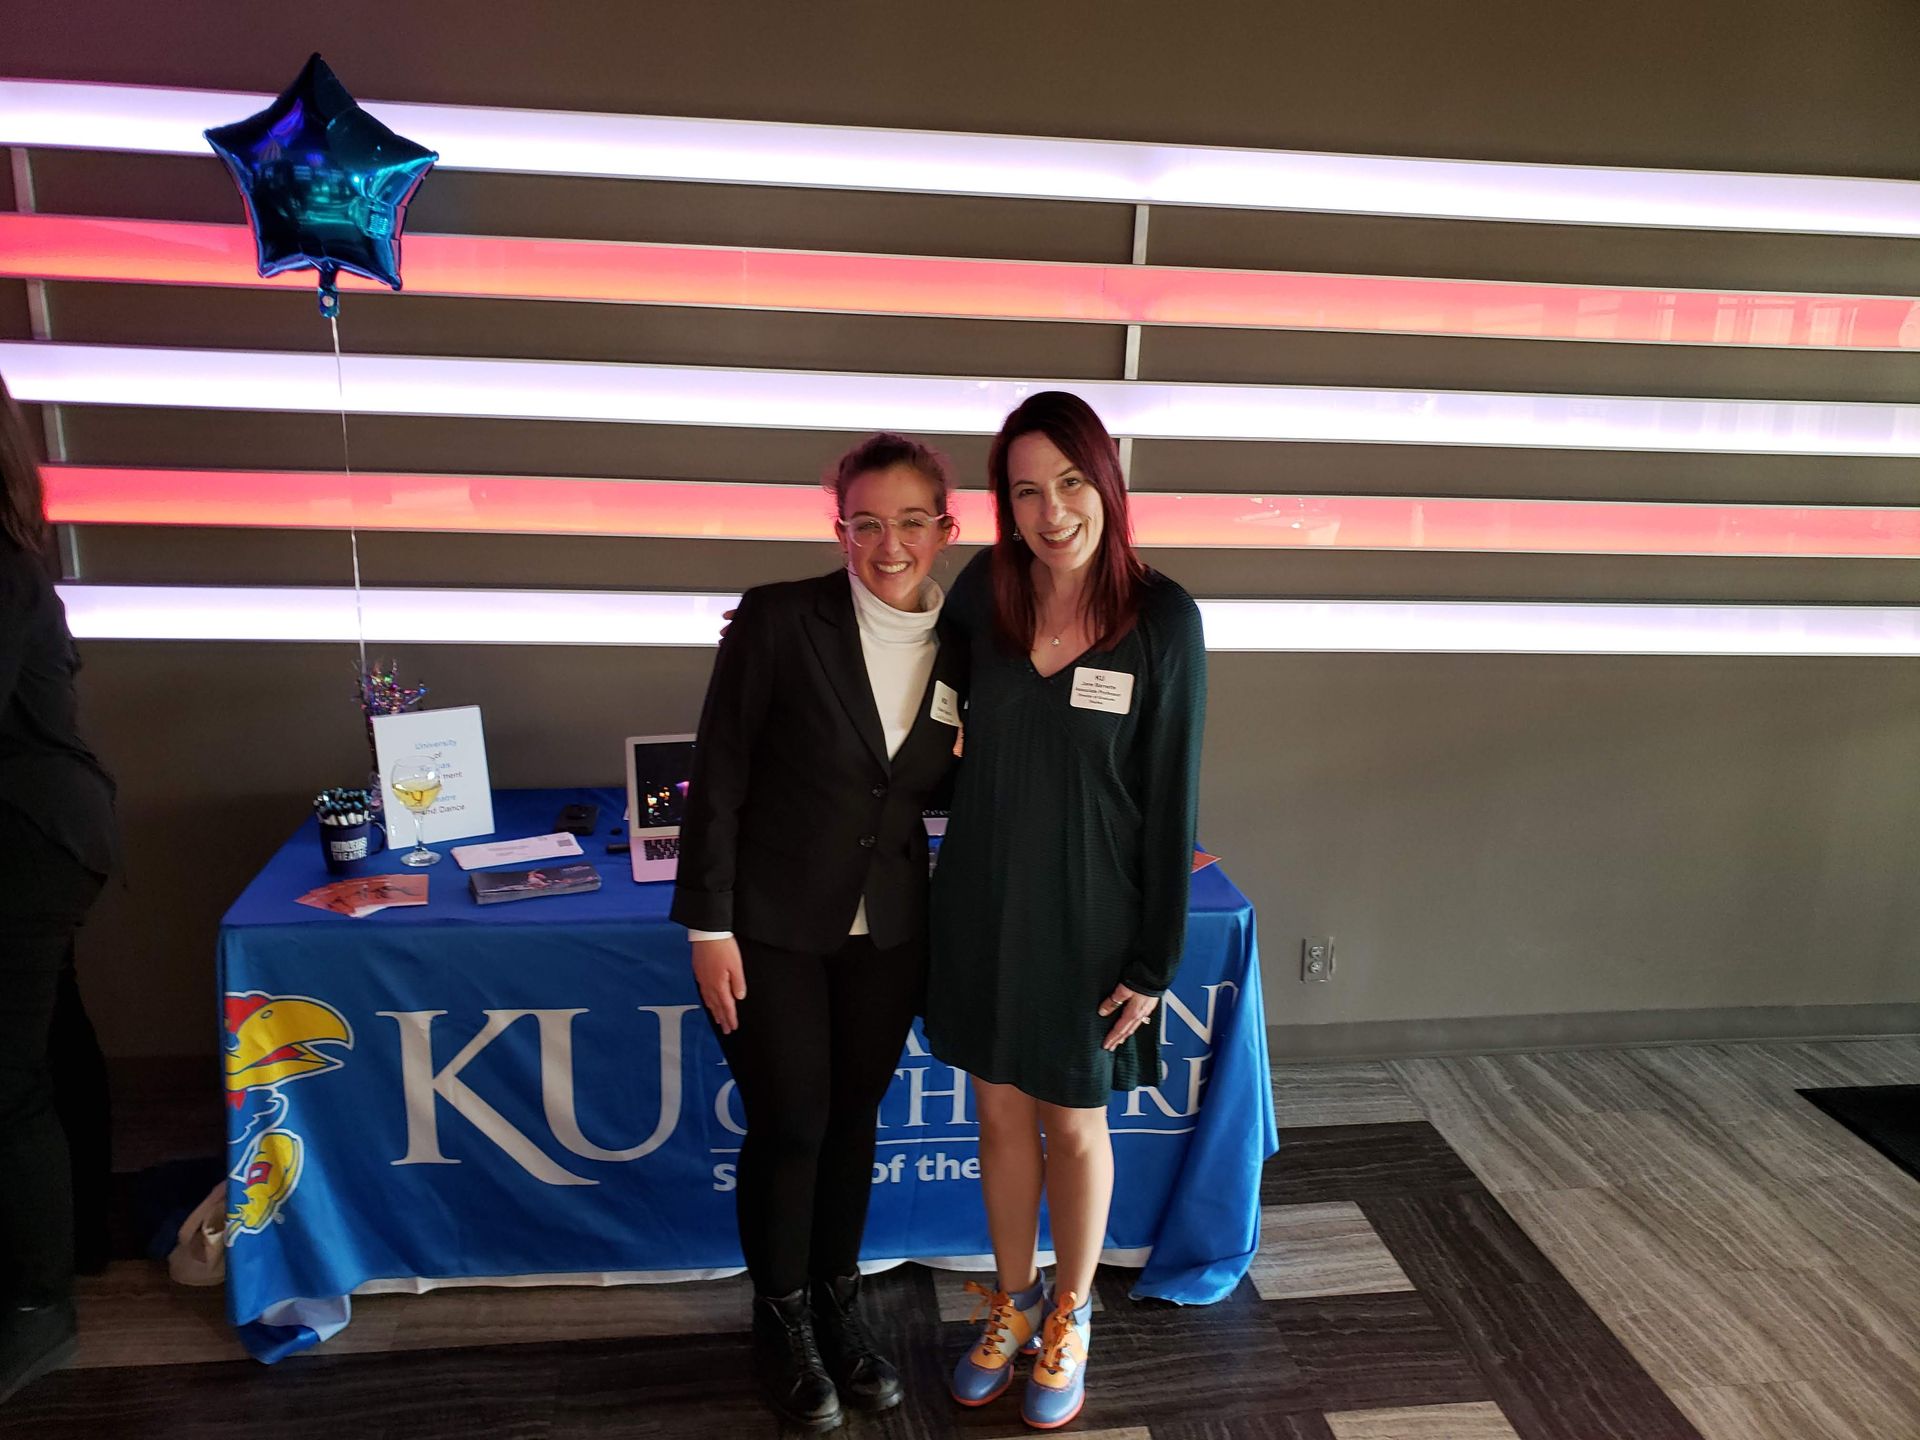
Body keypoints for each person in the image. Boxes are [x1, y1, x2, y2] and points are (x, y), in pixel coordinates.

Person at [672, 433, 963, 1432]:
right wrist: (708, 925)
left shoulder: (970, 643)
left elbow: (959, 778)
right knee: (792, 1121)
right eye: (867, 523)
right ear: (839, 528)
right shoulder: (780, 617)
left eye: (910, 521)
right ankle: (781, 1321)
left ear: (946, 529)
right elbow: (721, 777)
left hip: (888, 930)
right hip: (771, 924)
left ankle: (839, 1303)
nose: (889, 543)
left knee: (854, 1121)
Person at [926, 391, 1206, 1430]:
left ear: (1107, 482)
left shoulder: (1163, 619)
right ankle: (1013, 1298)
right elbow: (929, 731)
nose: (1053, 513)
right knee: (999, 1113)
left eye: (1073, 483)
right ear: (1005, 504)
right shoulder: (983, 597)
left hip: (1093, 919)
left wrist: (1156, 959)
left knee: (1075, 1125)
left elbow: (1173, 795)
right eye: (1028, 491)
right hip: (983, 900)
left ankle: (1073, 1313)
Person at [0, 373, 118, 1406]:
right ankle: (80, 1241)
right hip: (51, 834)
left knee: (10, 1082)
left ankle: (38, 1307)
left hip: (25, 845)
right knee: (44, 1047)